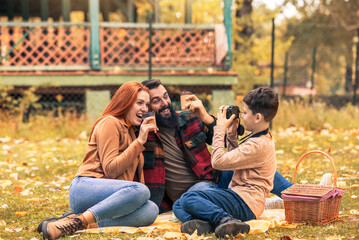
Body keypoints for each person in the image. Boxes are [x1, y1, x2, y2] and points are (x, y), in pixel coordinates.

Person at [140, 79, 292, 214]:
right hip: (195, 192)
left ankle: (296, 196)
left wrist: (206, 117)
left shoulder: (187, 117)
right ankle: (258, 205)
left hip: (215, 179)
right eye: (156, 100)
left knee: (255, 162)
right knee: (192, 196)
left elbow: (223, 142)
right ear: (147, 107)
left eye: (166, 96)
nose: (165, 103)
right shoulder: (144, 135)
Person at [38, 82, 159, 240]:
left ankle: (73, 223)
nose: (144, 109)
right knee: (141, 190)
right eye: (140, 103)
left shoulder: (130, 132)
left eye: (147, 104)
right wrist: (140, 142)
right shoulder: (110, 122)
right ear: (126, 102)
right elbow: (111, 170)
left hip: (106, 197)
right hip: (85, 188)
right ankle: (79, 220)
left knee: (151, 209)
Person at [174, 87, 279, 238]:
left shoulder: (257, 145)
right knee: (178, 204)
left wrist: (220, 129)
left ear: (257, 118)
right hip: (240, 198)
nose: (242, 116)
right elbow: (234, 161)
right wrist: (231, 134)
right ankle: (209, 224)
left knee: (188, 199)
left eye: (245, 112)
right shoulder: (260, 138)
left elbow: (218, 162)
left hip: (245, 203)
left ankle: (224, 219)